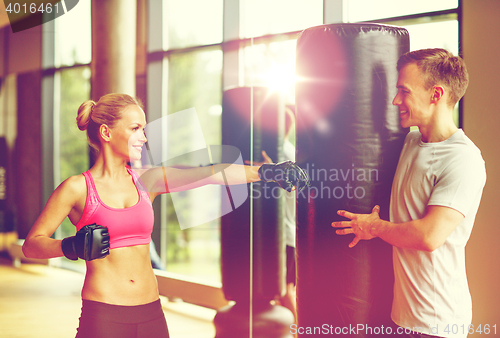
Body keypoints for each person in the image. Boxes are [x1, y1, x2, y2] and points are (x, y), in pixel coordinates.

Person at [22, 93, 309, 338]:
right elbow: (32, 244)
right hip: (104, 316)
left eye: (144, 129)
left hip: (151, 315)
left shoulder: (148, 180)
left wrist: (264, 172)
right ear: (106, 133)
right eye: (135, 128)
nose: (143, 138)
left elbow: (210, 174)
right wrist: (69, 246)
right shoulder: (77, 188)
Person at [331, 48, 486, 338]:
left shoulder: (463, 159)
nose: (395, 100)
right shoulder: (411, 141)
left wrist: (374, 227)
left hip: (438, 321)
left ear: (436, 95)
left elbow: (429, 236)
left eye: (405, 91)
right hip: (402, 315)